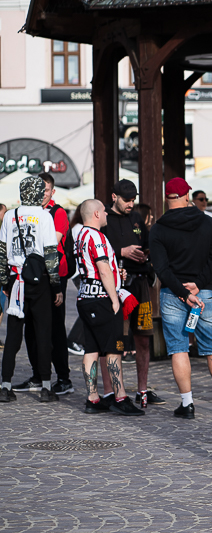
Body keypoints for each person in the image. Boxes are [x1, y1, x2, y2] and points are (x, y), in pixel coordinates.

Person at [149, 178, 212, 420]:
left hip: (173, 293)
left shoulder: (158, 228)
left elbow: (161, 268)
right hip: (203, 293)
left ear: (167, 197)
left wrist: (182, 291)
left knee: (178, 349)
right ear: (187, 194)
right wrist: (198, 285)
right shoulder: (209, 223)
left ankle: (187, 404)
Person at [74, 199, 144, 416]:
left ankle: (92, 398)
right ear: (96, 214)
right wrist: (115, 298)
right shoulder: (96, 236)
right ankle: (120, 396)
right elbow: (103, 269)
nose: (106, 214)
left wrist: (115, 275)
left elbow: (99, 267)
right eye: (103, 211)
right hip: (101, 297)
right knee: (114, 348)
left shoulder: (80, 236)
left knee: (92, 348)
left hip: (85, 296)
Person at [0, 176, 62, 403]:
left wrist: (5, 282)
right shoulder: (44, 216)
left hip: (16, 281)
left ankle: (5, 385)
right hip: (39, 282)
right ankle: (46, 386)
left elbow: (1, 251)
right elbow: (50, 254)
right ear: (37, 193)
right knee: (43, 332)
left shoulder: (9, 215)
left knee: (13, 335)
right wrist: (56, 285)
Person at [103, 180, 164, 407]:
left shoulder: (137, 218)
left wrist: (145, 256)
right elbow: (97, 249)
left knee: (144, 340)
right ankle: (111, 392)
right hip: (116, 286)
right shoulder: (104, 219)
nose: (130, 204)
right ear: (114, 197)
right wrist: (122, 252)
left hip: (139, 283)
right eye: (126, 200)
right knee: (115, 340)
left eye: (133, 199)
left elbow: (147, 244)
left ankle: (142, 390)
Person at [17, 173, 74, 396]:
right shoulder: (25, 213)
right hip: (30, 277)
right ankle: (37, 374)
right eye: (40, 189)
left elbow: (52, 241)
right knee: (30, 328)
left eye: (47, 189)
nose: (43, 193)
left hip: (52, 278)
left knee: (55, 330)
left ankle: (63, 377)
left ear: (52, 191)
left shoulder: (57, 212)